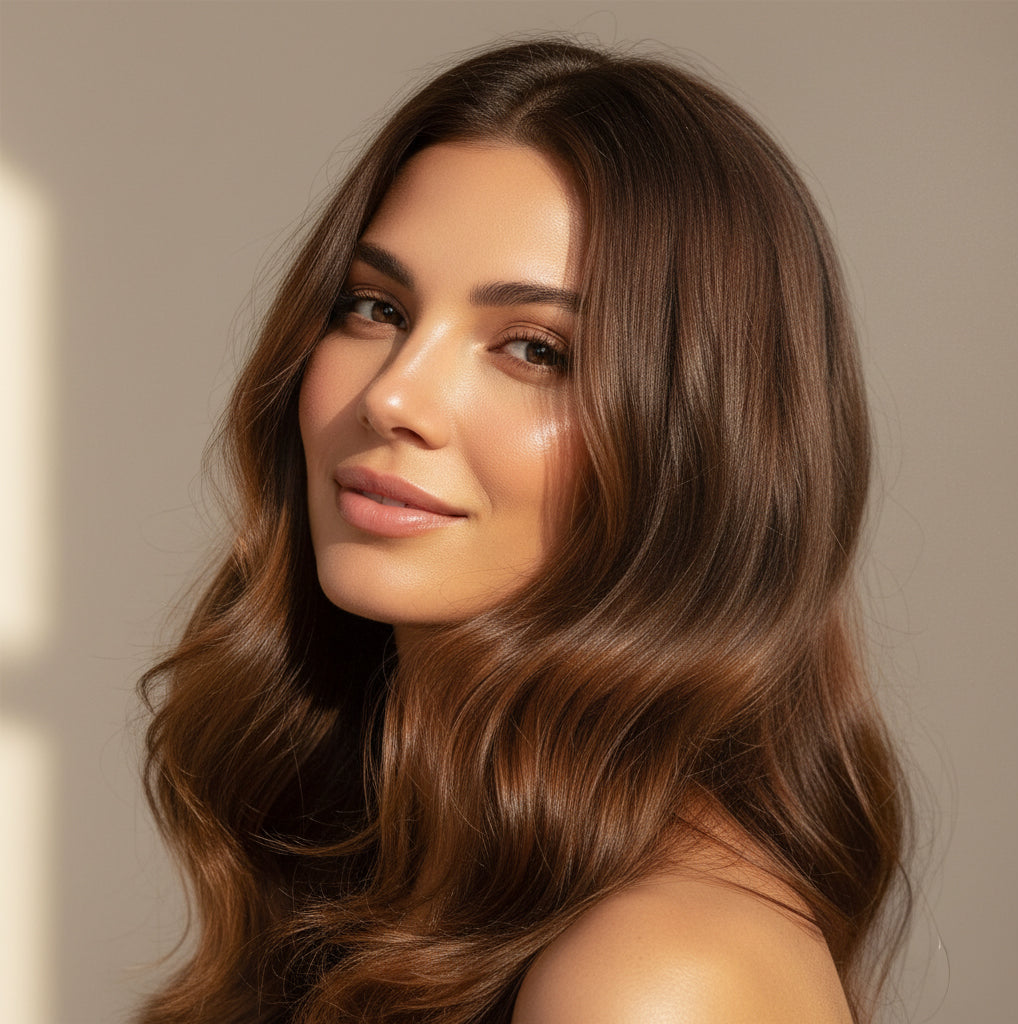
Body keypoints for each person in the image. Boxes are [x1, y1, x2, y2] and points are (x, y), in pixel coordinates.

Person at [139, 38, 911, 1024]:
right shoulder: (399, 865)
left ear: (696, 450)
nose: (395, 396)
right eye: (375, 306)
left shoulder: (656, 973)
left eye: (534, 349)